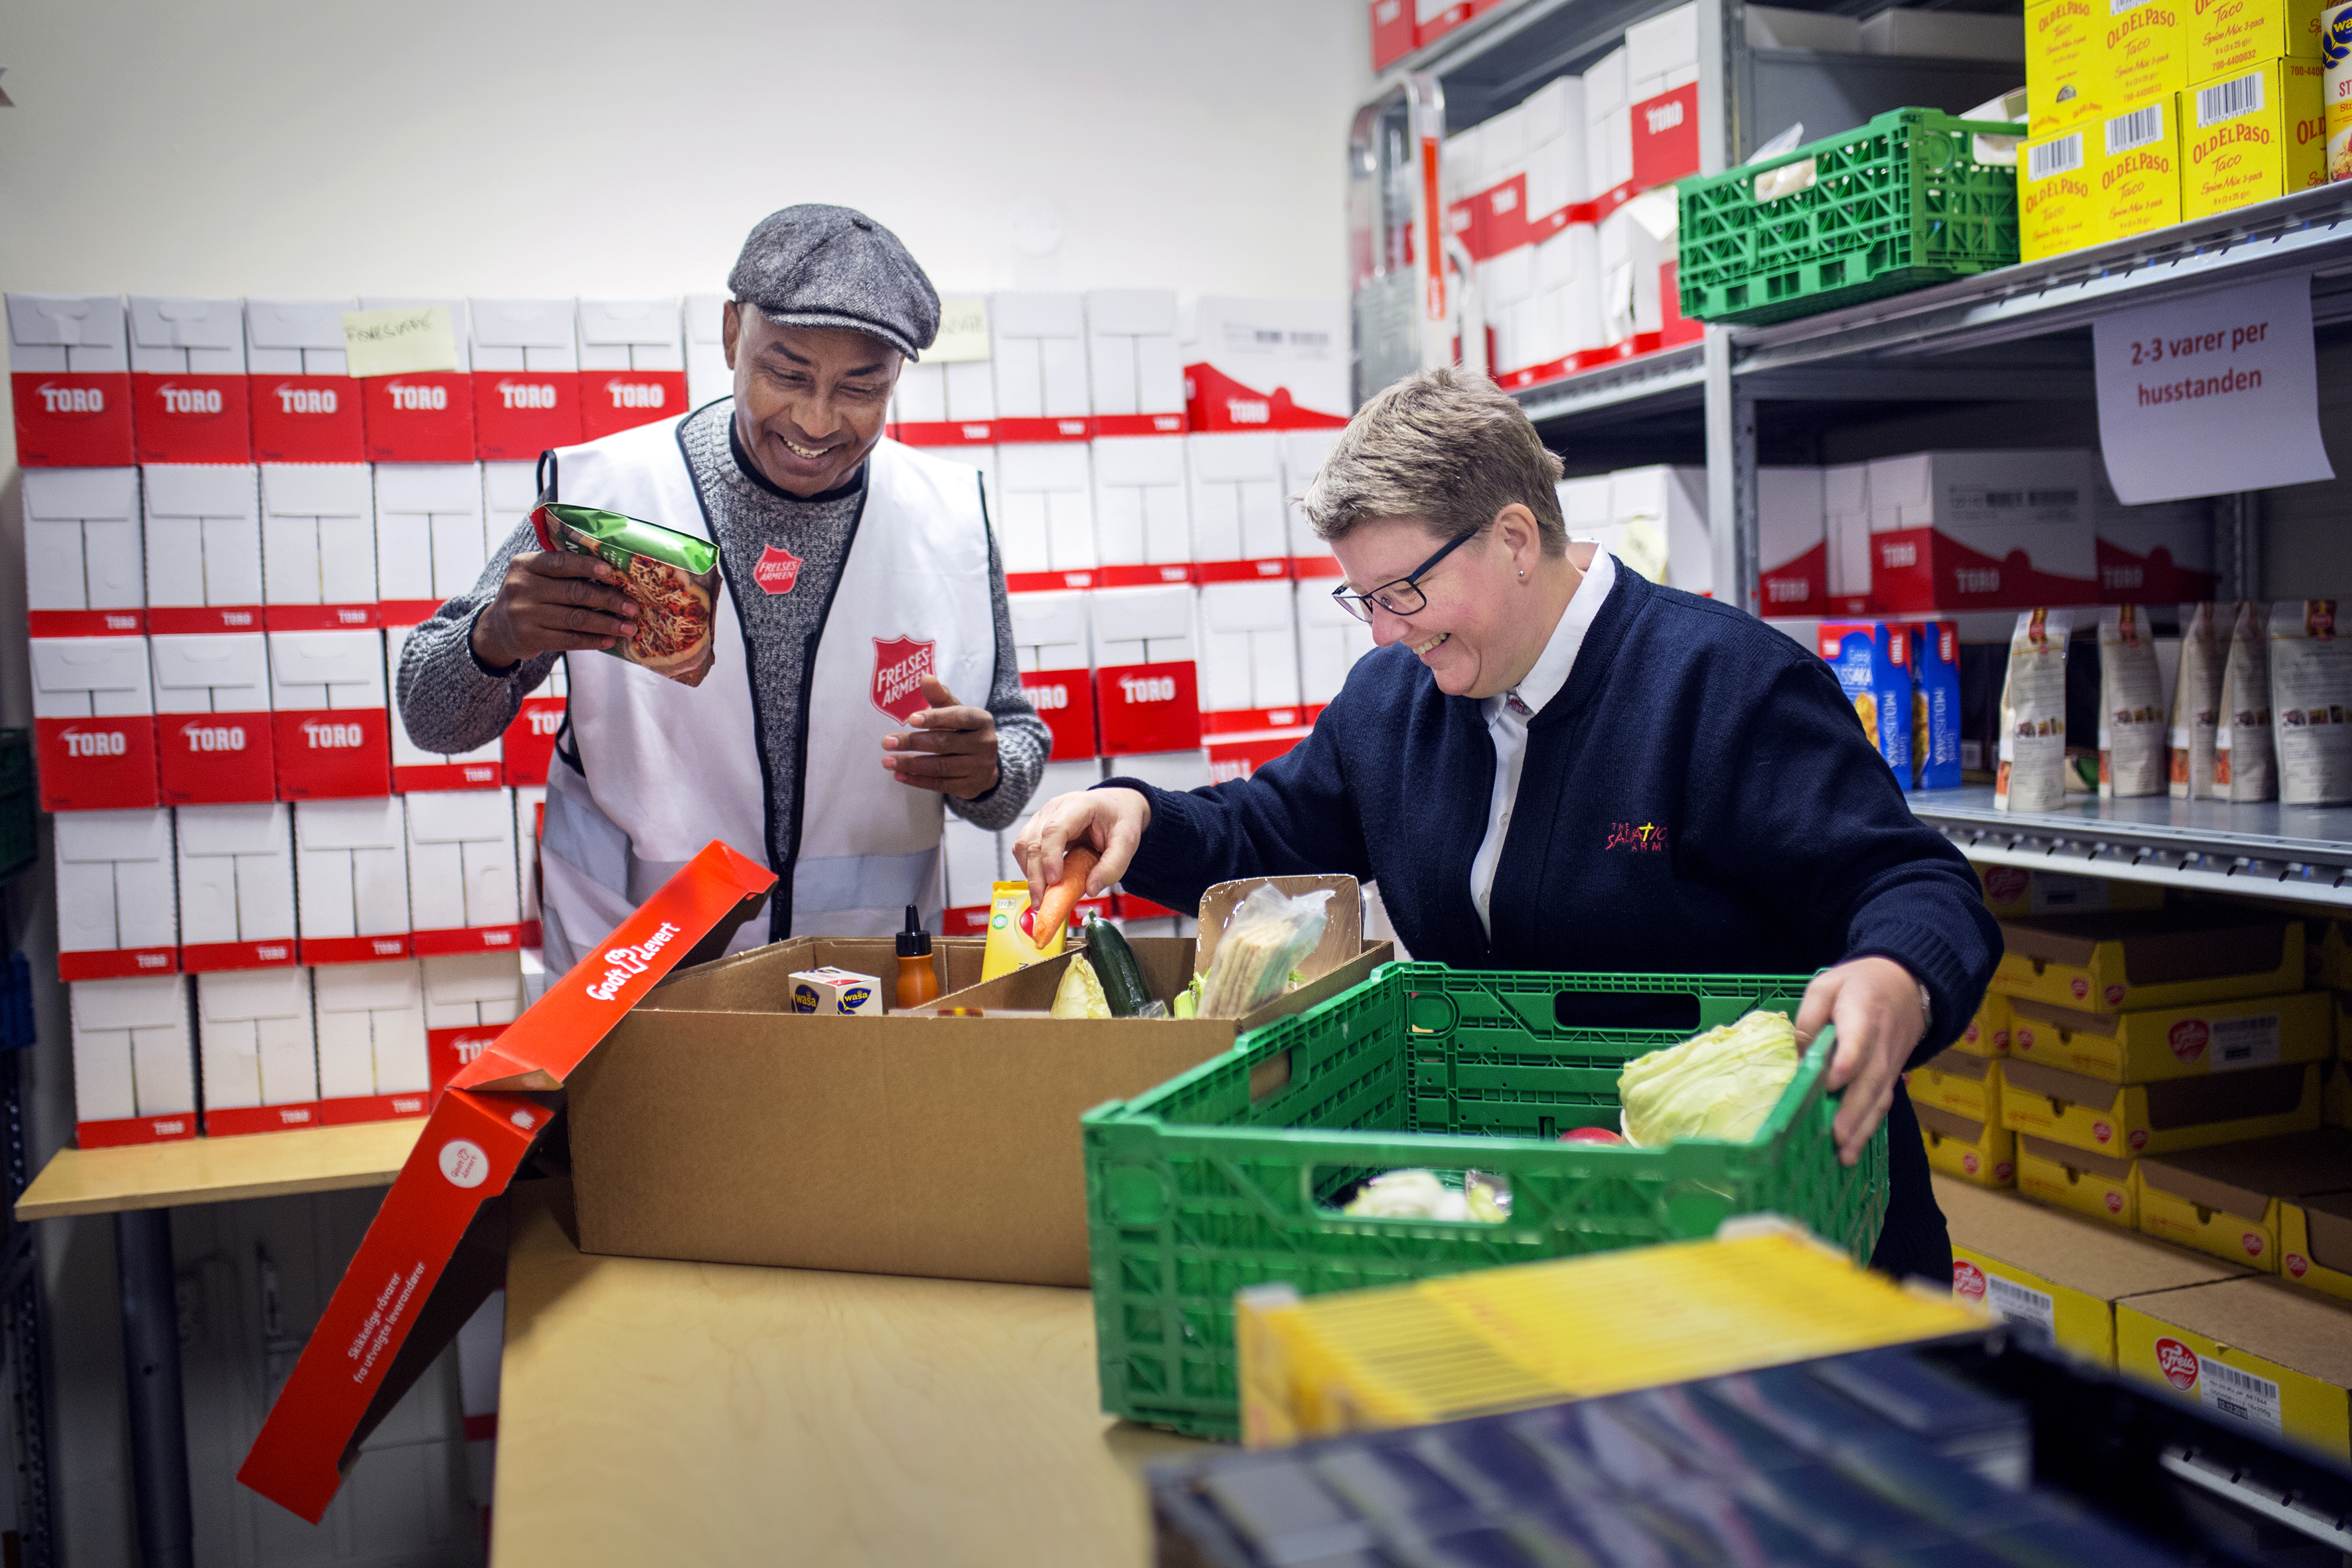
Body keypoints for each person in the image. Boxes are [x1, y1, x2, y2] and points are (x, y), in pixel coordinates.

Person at [1014, 368, 1998, 1282]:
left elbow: (1912, 883)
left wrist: (1895, 973)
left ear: (1516, 538)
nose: (1385, 630)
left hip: (1780, 1231)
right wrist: (1139, 813)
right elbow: (1273, 826)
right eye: (1362, 598)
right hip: (1547, 1226)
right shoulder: (1392, 699)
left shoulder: (1723, 686)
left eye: (1404, 592)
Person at [398, 205, 1049, 969]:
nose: (815, 420)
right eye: (787, 373)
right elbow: (430, 717)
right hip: (637, 981)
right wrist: (494, 642)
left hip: (861, 986)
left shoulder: (950, 517)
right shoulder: (609, 493)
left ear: (897, 376)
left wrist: (991, 771)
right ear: (733, 334)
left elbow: (1014, 744)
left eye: (860, 388)